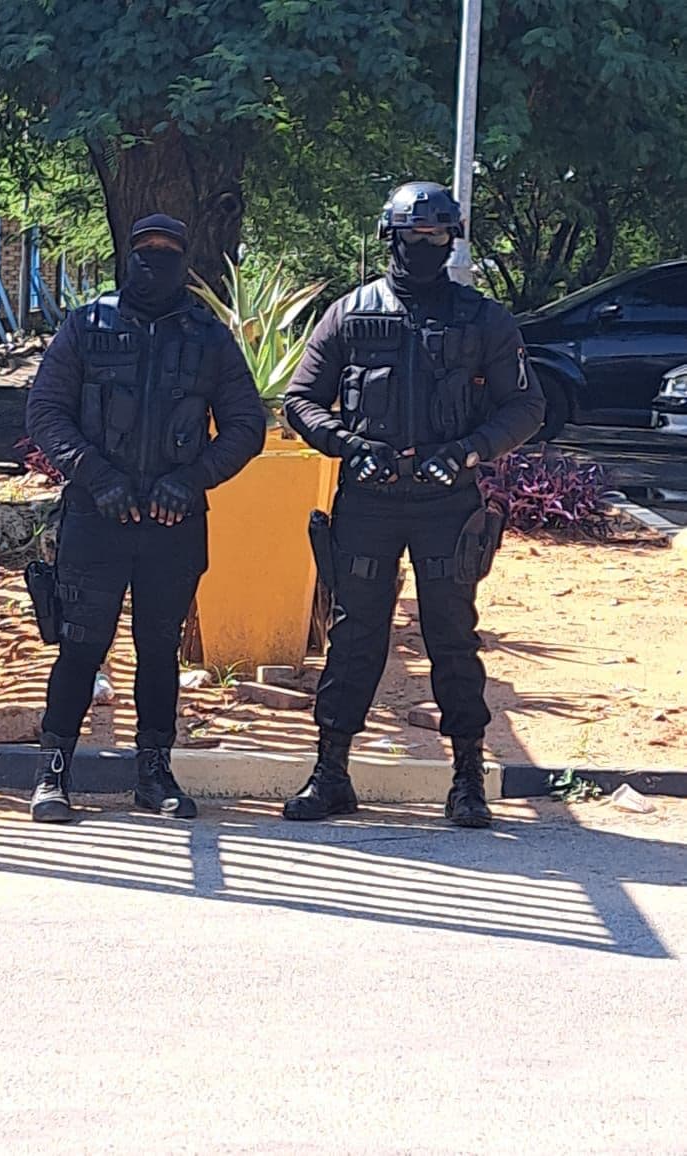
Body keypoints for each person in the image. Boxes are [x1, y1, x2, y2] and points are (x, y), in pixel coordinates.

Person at [282, 182, 546, 827]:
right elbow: (300, 399)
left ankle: (466, 780)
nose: (423, 248)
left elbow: (525, 406)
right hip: (367, 501)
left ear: (451, 241)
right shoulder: (350, 312)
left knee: (452, 638)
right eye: (412, 236)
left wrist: (466, 451)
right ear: (389, 238)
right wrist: (346, 446)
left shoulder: (483, 319)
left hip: (446, 502)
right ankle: (331, 773)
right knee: (354, 639)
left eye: (436, 237)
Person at [25, 214, 265, 822]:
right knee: (80, 648)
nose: (153, 263)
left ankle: (154, 774)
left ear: (187, 262)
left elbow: (245, 426)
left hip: (172, 523)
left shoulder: (208, 337)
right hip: (95, 517)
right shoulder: (86, 325)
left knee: (159, 651)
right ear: (125, 257)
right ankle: (53, 774)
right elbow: (46, 413)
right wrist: (95, 476)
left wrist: (192, 480)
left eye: (167, 254)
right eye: (142, 252)